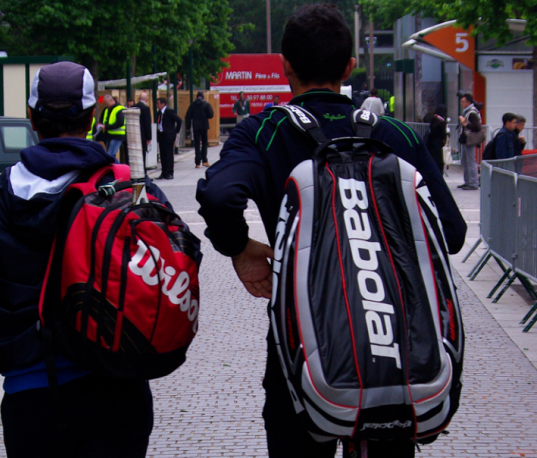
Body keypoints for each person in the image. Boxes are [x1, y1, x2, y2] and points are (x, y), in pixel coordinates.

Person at [196, 5, 466, 458]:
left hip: (301, 339)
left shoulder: (262, 132)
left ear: (285, 65)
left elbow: (221, 197)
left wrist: (240, 249)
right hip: (393, 344)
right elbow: (453, 233)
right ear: (349, 67)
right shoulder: (396, 134)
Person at [0, 61, 168, 458]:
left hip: (32, 397)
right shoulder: (125, 186)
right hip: (116, 386)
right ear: (93, 117)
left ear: (31, 117)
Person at [458, 92, 482, 190]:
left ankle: (473, 182)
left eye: (463, 102)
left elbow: (477, 127)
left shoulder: (471, 113)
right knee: (465, 160)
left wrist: (465, 124)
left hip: (470, 139)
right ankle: (468, 181)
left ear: (468, 102)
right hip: (467, 139)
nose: (461, 103)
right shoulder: (468, 112)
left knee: (470, 161)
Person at [185, 90, 214, 168]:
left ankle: (197, 163)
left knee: (197, 144)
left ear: (196, 96)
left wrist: (187, 128)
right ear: (203, 96)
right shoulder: (206, 104)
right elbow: (211, 114)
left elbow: (188, 116)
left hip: (196, 127)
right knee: (204, 143)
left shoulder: (192, 105)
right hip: (204, 126)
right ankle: (205, 160)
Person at [155, 97, 182, 180]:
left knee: (169, 155)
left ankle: (170, 172)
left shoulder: (169, 111)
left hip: (168, 136)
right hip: (161, 135)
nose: (157, 105)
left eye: (158, 104)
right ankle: (164, 172)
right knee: (162, 155)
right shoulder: (159, 113)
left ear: (163, 104)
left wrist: (175, 131)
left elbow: (179, 120)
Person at [426, 104, 448, 173]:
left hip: (431, 144)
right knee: (439, 164)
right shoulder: (442, 122)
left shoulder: (433, 119)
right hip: (438, 145)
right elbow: (443, 135)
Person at [134, 91, 153, 169]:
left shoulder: (134, 107)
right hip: (143, 135)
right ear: (147, 99)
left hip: (134, 134)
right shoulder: (146, 108)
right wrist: (149, 137)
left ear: (138, 98)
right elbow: (147, 123)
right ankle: (143, 171)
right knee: (142, 153)